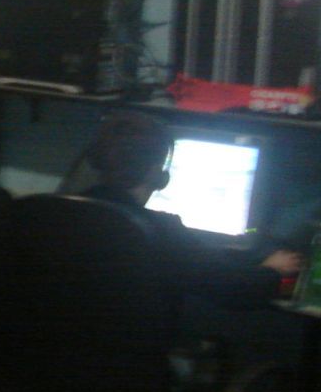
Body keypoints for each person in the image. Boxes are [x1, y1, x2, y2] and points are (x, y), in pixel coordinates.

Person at [82, 111, 302, 305]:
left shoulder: (67, 212)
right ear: (159, 176)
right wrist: (272, 270)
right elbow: (232, 288)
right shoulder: (160, 230)